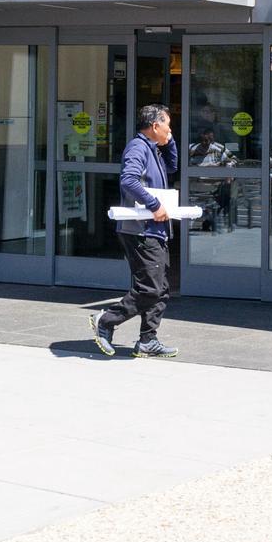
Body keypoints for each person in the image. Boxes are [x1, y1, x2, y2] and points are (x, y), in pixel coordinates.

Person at [87, 104, 180, 359]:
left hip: (156, 229)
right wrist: (154, 204)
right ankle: (106, 320)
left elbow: (172, 167)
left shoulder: (155, 150)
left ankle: (148, 340)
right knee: (149, 287)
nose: (170, 130)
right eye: (168, 125)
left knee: (160, 288)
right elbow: (128, 181)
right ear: (155, 126)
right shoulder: (138, 148)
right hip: (141, 229)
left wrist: (169, 142)